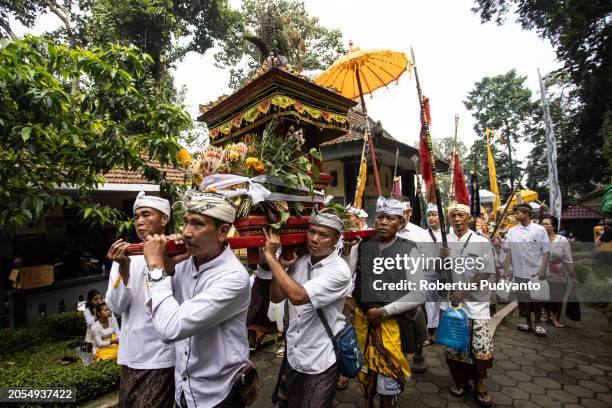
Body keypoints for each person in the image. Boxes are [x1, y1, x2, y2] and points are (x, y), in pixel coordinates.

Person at [143, 191, 252, 407]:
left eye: (197, 224)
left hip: (218, 395)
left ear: (222, 232)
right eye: (185, 223)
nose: (186, 233)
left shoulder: (233, 277)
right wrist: (169, 267)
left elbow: (169, 328)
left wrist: (156, 266)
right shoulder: (185, 262)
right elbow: (155, 311)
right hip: (184, 391)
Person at [266, 210, 351, 408]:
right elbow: (276, 296)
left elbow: (297, 296)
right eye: (312, 232)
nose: (314, 239)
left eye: (323, 235)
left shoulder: (339, 270)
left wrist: (270, 257)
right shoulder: (300, 260)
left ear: (336, 239)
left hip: (320, 360)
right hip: (294, 356)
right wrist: (283, 266)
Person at [348, 197, 425, 408]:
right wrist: (349, 298)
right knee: (366, 377)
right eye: (380, 217)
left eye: (390, 218)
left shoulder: (409, 250)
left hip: (393, 326)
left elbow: (419, 293)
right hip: (362, 323)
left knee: (387, 383)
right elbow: (347, 277)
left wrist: (383, 312)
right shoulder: (362, 246)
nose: (383, 222)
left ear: (401, 223)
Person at [105, 191, 176, 408]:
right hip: (131, 354)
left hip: (162, 356)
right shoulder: (126, 257)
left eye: (146, 215)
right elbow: (116, 306)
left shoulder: (177, 253)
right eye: (136, 217)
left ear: (164, 219)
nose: (140, 222)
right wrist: (124, 269)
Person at [440, 203, 495, 408]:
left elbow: (486, 270)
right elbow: (437, 270)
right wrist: (440, 259)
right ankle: (460, 382)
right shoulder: (444, 241)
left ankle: (480, 386)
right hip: (452, 305)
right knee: (454, 347)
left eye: (461, 215)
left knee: (479, 348)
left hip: (476, 305)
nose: (457, 219)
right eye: (453, 215)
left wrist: (464, 291)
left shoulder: (481, 241)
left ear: (468, 217)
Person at [502, 203, 551, 337]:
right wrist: (507, 269)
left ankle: (538, 324)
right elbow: (509, 251)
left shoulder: (539, 230)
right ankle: (527, 322)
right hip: (519, 271)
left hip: (535, 270)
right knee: (523, 298)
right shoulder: (512, 231)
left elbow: (546, 251)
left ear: (526, 213)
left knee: (537, 298)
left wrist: (542, 269)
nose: (515, 215)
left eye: (518, 212)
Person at [397, 200, 432, 373]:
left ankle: (419, 354)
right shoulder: (387, 231)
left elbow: (429, 261)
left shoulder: (420, 234)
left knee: (418, 320)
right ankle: (400, 356)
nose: (400, 217)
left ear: (409, 212)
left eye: (404, 212)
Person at [541, 216, 577, 328]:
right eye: (543, 224)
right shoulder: (539, 239)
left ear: (554, 226)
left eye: (547, 224)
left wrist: (573, 276)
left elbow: (568, 259)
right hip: (542, 272)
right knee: (544, 296)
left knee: (557, 297)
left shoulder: (562, 240)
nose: (544, 226)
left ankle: (556, 318)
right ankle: (547, 315)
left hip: (558, 272)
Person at [423, 203, 443, 345]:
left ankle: (443, 332)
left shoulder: (448, 234)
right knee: (430, 305)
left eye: (434, 215)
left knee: (444, 304)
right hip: (429, 275)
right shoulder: (423, 234)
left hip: (445, 275)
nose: (431, 218)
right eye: (429, 215)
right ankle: (431, 333)